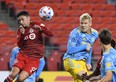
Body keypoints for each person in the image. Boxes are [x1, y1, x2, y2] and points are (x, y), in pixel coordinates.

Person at [4, 11, 53, 82]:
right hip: (23, 55)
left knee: (21, 78)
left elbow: (50, 34)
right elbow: (20, 45)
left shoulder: (37, 25)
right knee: (13, 74)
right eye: (19, 20)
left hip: (34, 59)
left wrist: (42, 29)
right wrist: (22, 34)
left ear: (28, 18)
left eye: (22, 19)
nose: (21, 22)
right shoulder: (20, 30)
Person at [63, 13, 98, 82]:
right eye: (81, 23)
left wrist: (88, 62)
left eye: (85, 23)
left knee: (82, 80)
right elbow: (69, 50)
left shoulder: (95, 34)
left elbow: (89, 47)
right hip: (71, 59)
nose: (83, 25)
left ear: (90, 24)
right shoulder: (74, 33)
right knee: (84, 77)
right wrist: (84, 46)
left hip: (82, 62)